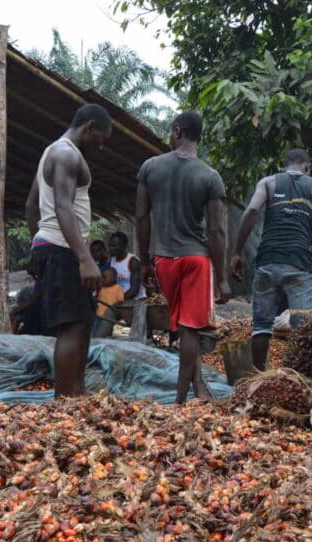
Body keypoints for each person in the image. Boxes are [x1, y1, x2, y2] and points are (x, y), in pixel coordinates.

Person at [231, 149, 312, 370]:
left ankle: (258, 377)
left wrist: (236, 252)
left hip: (267, 264)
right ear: (307, 167)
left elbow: (252, 210)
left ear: (283, 166)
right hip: (299, 267)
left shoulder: (268, 183)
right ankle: (300, 379)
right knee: (302, 329)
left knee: (261, 326)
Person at [136, 111, 231, 404]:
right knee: (190, 329)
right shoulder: (209, 176)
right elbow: (216, 231)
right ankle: (180, 400)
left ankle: (196, 386)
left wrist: (144, 262)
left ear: (177, 132)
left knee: (181, 323)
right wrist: (223, 278)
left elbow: (141, 217)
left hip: (163, 260)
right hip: (195, 259)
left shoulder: (150, 167)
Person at [25, 103, 112, 397]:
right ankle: (65, 399)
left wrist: (37, 246)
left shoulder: (50, 152)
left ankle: (77, 391)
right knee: (72, 326)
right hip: (62, 249)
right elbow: (62, 206)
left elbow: (30, 206)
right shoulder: (66, 154)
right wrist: (85, 258)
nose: (101, 147)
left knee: (83, 318)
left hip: (53, 246)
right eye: (102, 138)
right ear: (90, 127)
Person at [108, 231, 145, 300]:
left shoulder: (133, 262)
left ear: (124, 245)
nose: (111, 248)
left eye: (114, 246)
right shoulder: (111, 261)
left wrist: (119, 300)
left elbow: (134, 289)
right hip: (119, 300)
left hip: (134, 300)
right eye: (110, 245)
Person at [93, 267, 125, 338]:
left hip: (108, 316)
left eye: (105, 277)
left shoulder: (118, 288)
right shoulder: (102, 288)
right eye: (102, 278)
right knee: (94, 330)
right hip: (98, 314)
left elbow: (120, 300)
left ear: (114, 278)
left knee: (103, 332)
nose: (102, 280)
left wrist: (114, 306)